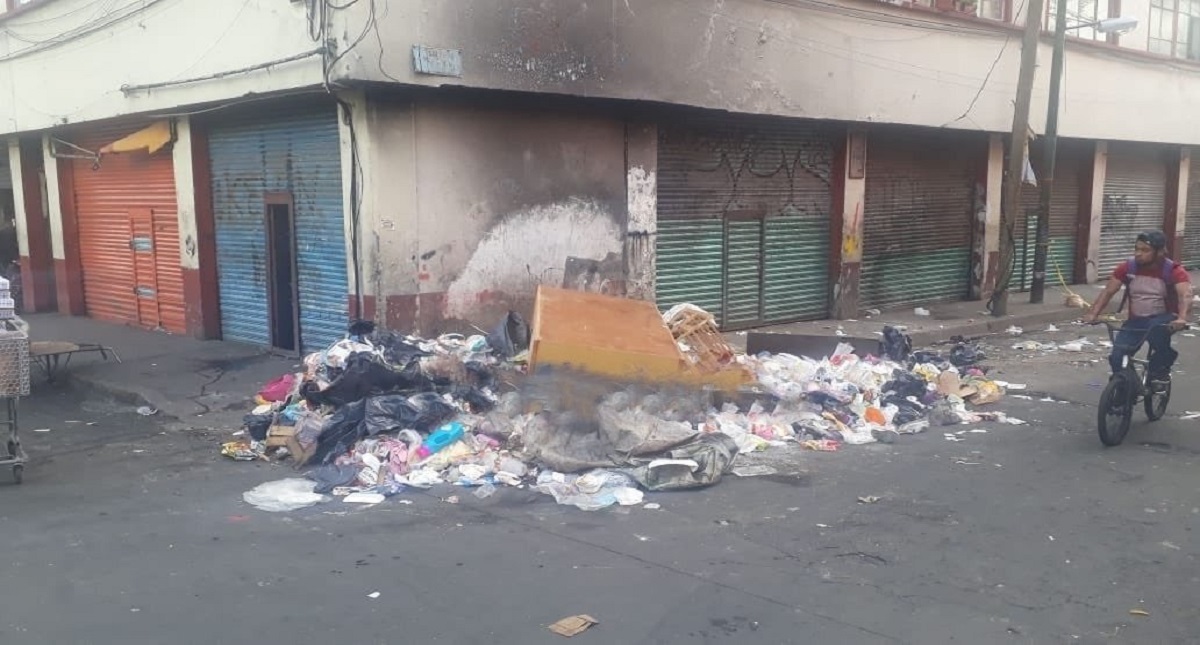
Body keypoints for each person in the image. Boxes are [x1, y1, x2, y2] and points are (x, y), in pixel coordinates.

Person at [1083, 230, 1192, 385]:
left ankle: (1160, 373)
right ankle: (1125, 387)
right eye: (1137, 249)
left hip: (1164, 319)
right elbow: (1108, 291)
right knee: (1117, 357)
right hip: (1136, 320)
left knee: (1159, 344)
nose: (1138, 254)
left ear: (1160, 252)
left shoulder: (1173, 271)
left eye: (1145, 250)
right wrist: (1093, 313)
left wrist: (1181, 318)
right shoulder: (1128, 268)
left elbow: (1185, 296)